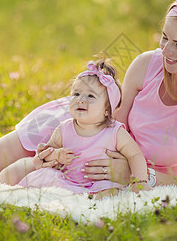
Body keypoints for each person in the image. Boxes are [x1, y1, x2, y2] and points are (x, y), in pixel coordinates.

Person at [0, 0, 177, 191]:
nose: (166, 50)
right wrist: (57, 152)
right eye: (164, 37)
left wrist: (137, 174)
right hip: (84, 126)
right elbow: (111, 123)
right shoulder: (146, 65)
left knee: (7, 174)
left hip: (120, 167)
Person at [12, 60, 150, 198]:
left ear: (107, 110)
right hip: (68, 181)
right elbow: (47, 154)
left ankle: (94, 199)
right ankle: (67, 196)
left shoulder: (115, 132)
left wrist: (140, 182)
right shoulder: (64, 129)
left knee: (111, 192)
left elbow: (135, 155)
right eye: (76, 94)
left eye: (90, 96)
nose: (80, 100)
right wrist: (56, 154)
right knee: (45, 176)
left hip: (101, 183)